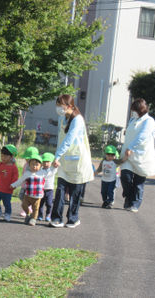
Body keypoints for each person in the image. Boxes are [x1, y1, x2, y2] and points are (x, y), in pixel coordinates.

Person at [49, 94, 94, 228]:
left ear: (69, 106)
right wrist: (58, 156)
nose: (58, 108)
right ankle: (56, 218)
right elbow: (60, 140)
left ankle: (72, 219)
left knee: (75, 193)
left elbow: (69, 140)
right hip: (64, 160)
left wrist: (57, 155)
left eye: (60, 106)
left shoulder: (77, 120)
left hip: (78, 160)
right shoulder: (62, 118)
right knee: (60, 190)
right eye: (57, 105)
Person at [120, 98, 155, 213]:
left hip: (142, 156)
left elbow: (142, 136)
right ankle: (128, 195)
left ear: (140, 110)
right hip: (128, 155)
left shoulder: (149, 121)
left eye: (134, 110)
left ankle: (134, 204)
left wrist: (131, 147)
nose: (132, 112)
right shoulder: (133, 119)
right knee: (125, 177)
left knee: (138, 183)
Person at [11, 154, 57, 226]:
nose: (34, 166)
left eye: (37, 165)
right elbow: (20, 181)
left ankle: (33, 219)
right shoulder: (27, 173)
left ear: (41, 165)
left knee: (35, 209)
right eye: (32, 164)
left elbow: (51, 173)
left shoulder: (42, 173)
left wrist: (54, 167)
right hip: (28, 195)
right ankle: (28, 214)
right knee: (24, 205)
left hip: (37, 196)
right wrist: (13, 185)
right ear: (29, 165)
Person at [0, 144, 19, 221]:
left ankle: (7, 214)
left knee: (6, 203)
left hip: (8, 190)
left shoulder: (14, 167)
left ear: (11, 157)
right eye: (2, 156)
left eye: (5, 156)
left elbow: (15, 178)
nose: (3, 158)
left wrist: (13, 185)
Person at [18, 146, 39, 217]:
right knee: (21, 196)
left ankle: (27, 209)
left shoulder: (34, 166)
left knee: (27, 198)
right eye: (26, 158)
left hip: (30, 186)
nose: (26, 160)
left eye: (28, 158)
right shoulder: (25, 165)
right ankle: (28, 208)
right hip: (24, 185)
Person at [37, 152, 58, 222]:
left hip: (49, 190)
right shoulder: (40, 170)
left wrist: (56, 163)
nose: (46, 164)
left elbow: (56, 166)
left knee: (49, 204)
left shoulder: (52, 170)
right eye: (44, 162)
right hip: (41, 190)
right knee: (40, 204)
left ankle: (48, 214)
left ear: (51, 162)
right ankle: (40, 215)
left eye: (48, 162)